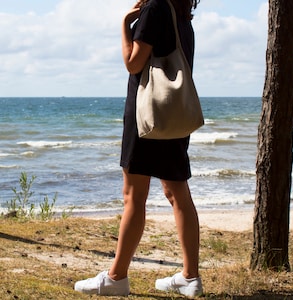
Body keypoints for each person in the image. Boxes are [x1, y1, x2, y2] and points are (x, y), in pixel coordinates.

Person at [74, 0, 202, 297]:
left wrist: (124, 25)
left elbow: (133, 62)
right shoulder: (182, 15)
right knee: (177, 193)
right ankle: (190, 276)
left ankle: (116, 277)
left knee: (134, 195)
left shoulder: (154, 9)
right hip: (174, 117)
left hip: (146, 116)